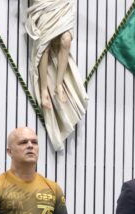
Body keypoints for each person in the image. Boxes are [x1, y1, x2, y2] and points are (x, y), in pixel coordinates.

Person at [25, 0, 88, 151]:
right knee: (44, 46)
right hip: (43, 4)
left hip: (62, 3)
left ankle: (58, 84)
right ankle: (44, 89)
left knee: (66, 40)